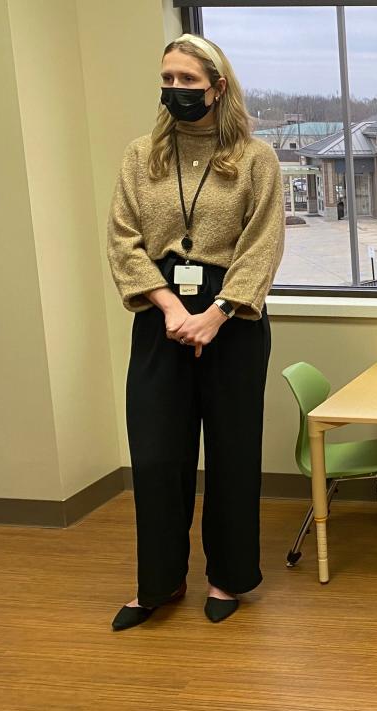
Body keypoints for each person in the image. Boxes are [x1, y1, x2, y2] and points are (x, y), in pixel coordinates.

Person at [107, 34, 284, 630]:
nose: (176, 90)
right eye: (169, 80)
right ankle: (159, 582)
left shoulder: (256, 159)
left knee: (232, 454)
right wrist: (170, 308)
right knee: (157, 457)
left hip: (232, 322)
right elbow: (123, 240)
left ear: (217, 86)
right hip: (162, 318)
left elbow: (262, 244)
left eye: (188, 80)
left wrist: (216, 313)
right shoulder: (140, 157)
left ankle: (227, 577)